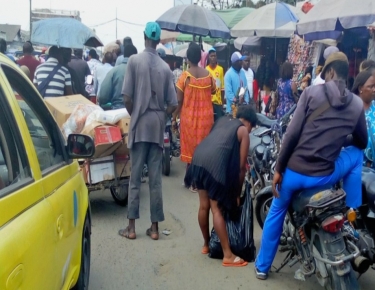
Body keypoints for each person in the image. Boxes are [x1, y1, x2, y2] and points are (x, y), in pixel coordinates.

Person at [255, 52, 368, 280]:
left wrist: (278, 170)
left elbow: (292, 135)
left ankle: (262, 267)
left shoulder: (310, 93)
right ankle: (352, 217)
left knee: (276, 211)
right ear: (347, 74)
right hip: (325, 176)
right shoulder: (356, 104)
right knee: (356, 155)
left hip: (295, 174)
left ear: (330, 72)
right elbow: (361, 142)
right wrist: (338, 138)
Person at [119, 22, 177, 240]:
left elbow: (126, 97)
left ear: (144, 37)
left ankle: (131, 228)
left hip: (139, 122)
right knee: (155, 180)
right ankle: (154, 229)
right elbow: (173, 104)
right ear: (159, 40)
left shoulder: (134, 61)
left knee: (135, 178)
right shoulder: (165, 68)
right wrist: (162, 115)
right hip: (156, 125)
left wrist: (135, 114)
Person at [185, 105, 256, 267]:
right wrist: (237, 194)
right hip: (214, 166)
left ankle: (206, 244)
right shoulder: (243, 131)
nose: (250, 131)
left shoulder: (222, 120)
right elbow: (241, 168)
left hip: (198, 159)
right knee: (216, 208)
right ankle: (227, 255)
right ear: (249, 123)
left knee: (204, 206)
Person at [174, 43, 216, 192]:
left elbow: (179, 100)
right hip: (206, 118)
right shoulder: (208, 75)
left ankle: (192, 181)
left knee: (191, 150)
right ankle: (199, 180)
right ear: (200, 57)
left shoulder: (184, 76)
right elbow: (213, 90)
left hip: (189, 118)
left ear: (187, 58)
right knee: (202, 150)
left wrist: (174, 117)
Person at [98, 44, 138, 109]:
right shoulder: (140, 72)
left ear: (124, 55)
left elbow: (103, 96)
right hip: (135, 112)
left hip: (116, 111)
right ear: (136, 56)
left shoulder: (114, 71)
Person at [352, 70, 375, 168]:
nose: (374, 89)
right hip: (358, 166)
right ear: (360, 88)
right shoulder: (351, 110)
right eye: (370, 86)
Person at [225, 52, 250, 116]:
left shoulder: (242, 73)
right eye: (240, 61)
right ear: (235, 62)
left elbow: (246, 89)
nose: (242, 63)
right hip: (232, 110)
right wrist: (237, 101)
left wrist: (246, 102)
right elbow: (228, 93)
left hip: (242, 109)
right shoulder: (228, 74)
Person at [206, 47, 225, 121]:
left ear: (216, 57)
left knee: (218, 122)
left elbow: (222, 87)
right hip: (209, 102)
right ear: (209, 57)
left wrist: (222, 103)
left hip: (218, 102)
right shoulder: (206, 70)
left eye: (214, 56)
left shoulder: (220, 69)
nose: (213, 58)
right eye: (211, 56)